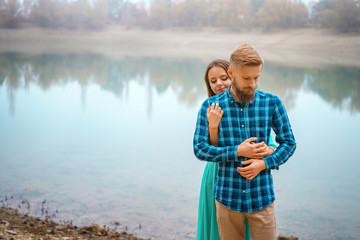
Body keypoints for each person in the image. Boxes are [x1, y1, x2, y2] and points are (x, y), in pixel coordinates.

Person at [194, 45, 296, 240]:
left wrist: (264, 163)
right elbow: (199, 149)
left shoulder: (272, 103)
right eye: (246, 78)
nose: (253, 84)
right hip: (226, 199)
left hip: (261, 198)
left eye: (256, 77)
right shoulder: (210, 106)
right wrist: (237, 151)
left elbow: (289, 143)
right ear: (232, 72)